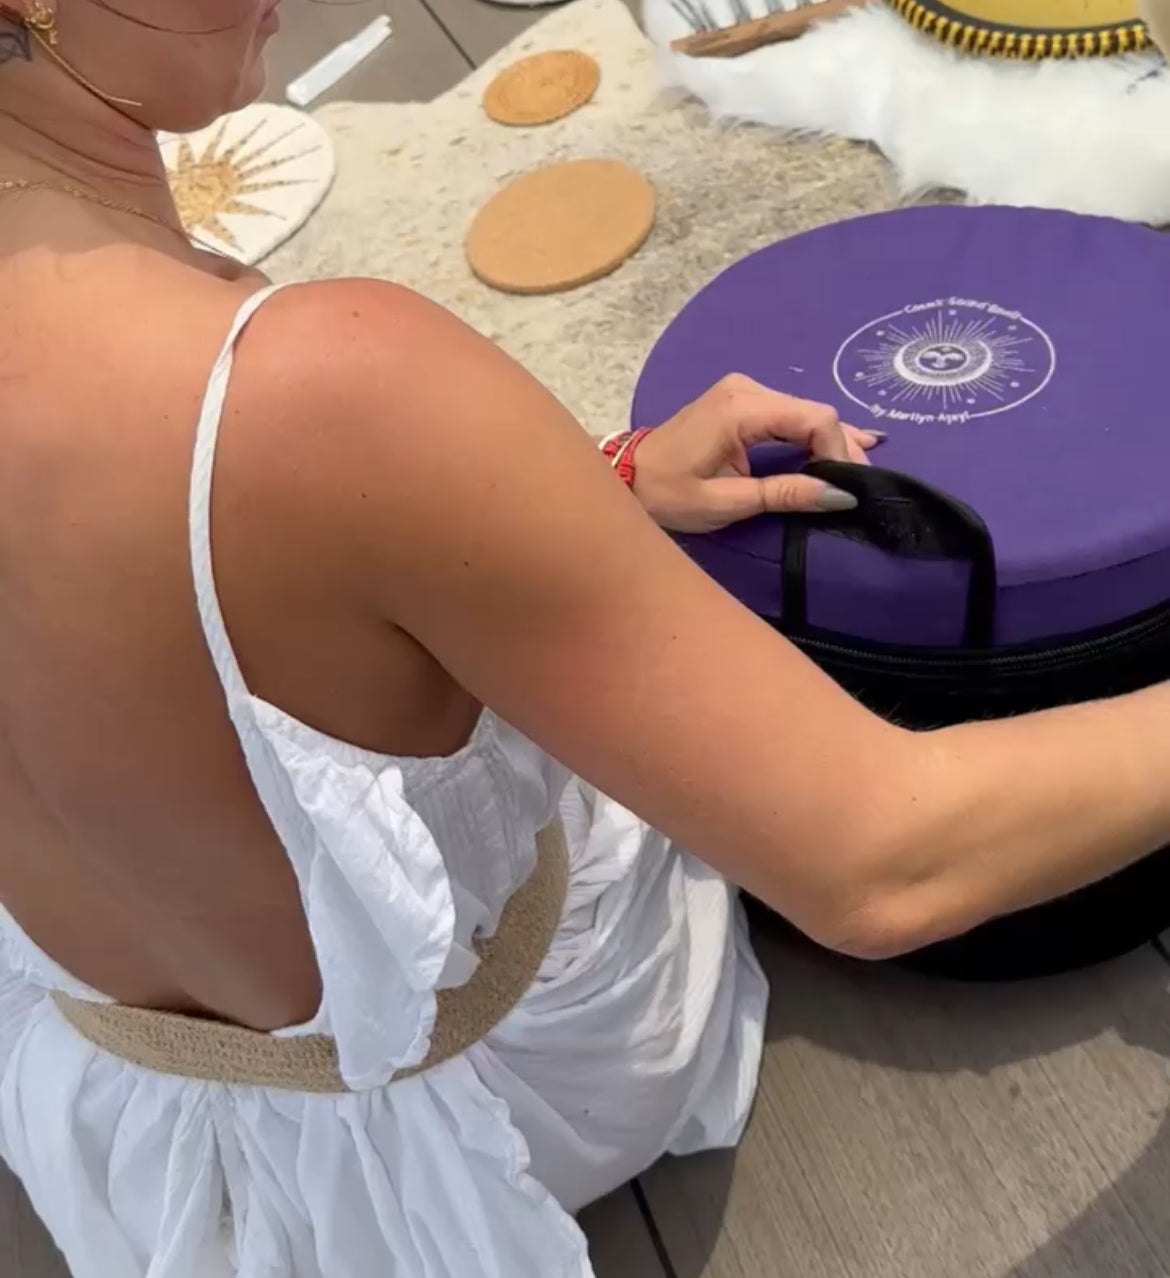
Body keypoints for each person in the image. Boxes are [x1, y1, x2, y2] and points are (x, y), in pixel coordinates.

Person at [4, 3, 1170, 1276]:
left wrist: (556, 496)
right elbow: (883, 861)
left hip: (130, 1134)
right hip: (468, 1135)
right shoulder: (330, 388)